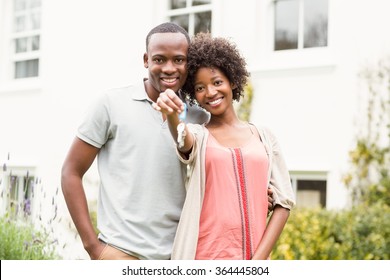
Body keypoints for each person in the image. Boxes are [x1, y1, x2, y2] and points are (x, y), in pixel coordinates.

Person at [61, 22, 275, 260]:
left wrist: (255, 194)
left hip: (181, 254)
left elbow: (217, 180)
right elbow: (71, 172)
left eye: (179, 60)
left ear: (188, 64)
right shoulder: (111, 104)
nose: (169, 68)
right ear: (146, 60)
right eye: (159, 59)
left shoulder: (200, 117)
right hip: (121, 253)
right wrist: (93, 247)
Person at [153, 32, 295, 260]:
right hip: (204, 256)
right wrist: (171, 115)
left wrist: (257, 262)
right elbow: (183, 142)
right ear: (194, 94)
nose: (210, 92)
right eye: (200, 88)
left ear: (233, 81)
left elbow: (284, 202)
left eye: (217, 82)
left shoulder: (264, 137)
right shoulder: (199, 136)